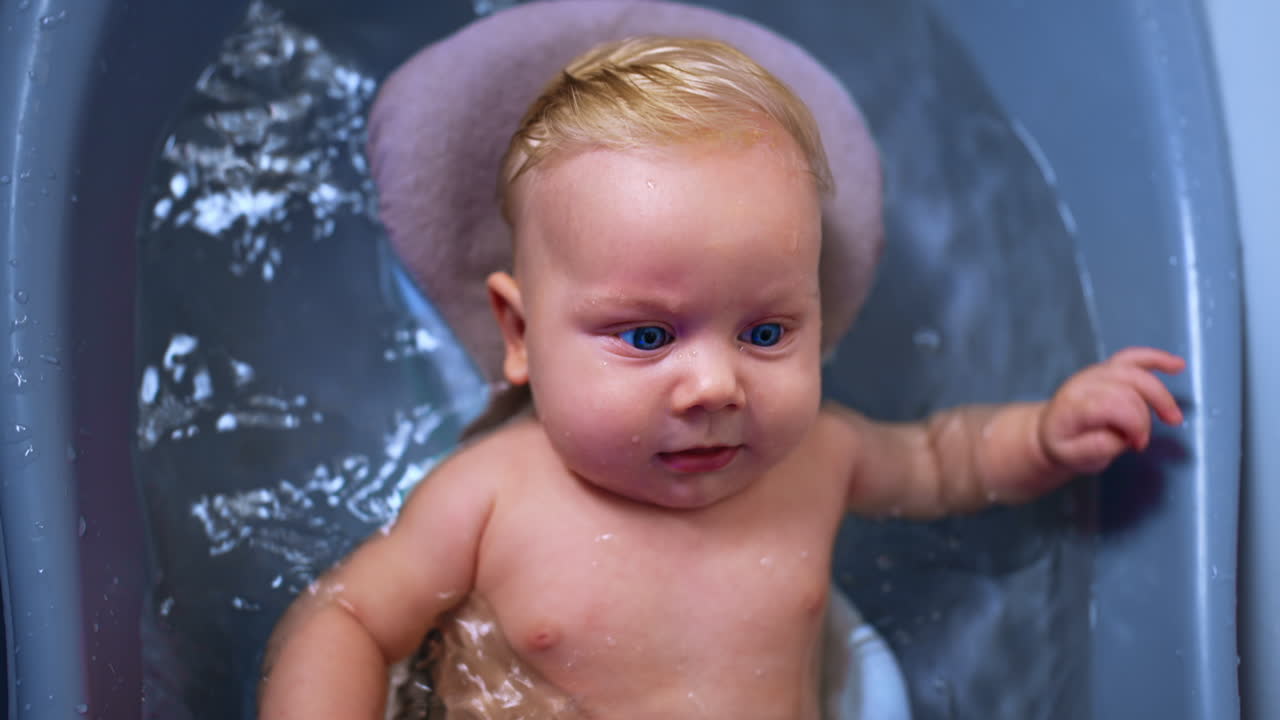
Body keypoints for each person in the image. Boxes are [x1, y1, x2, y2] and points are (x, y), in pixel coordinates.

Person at [258, 36, 1184, 720]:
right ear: (521, 334)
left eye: (767, 330)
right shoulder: (490, 499)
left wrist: (1046, 433)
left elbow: (943, 460)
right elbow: (345, 618)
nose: (715, 385)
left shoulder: (817, 457)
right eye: (649, 334)